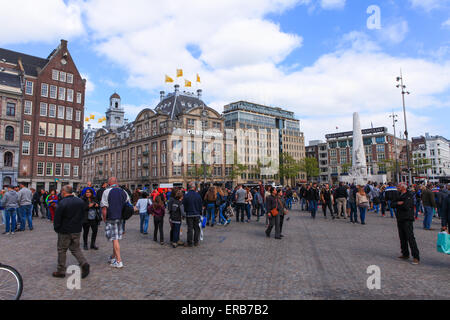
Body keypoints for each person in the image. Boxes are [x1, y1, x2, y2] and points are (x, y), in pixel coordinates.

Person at [52, 185, 90, 278]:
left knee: (62, 250)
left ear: (64, 192)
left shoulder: (62, 203)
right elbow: (83, 213)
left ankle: (61, 271)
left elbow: (57, 218)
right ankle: (84, 263)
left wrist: (57, 228)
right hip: (76, 229)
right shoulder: (80, 201)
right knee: (75, 248)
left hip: (65, 230)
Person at [101, 177, 130, 269]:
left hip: (111, 217)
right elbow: (128, 204)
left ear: (109, 183)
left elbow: (104, 207)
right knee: (116, 238)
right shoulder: (123, 192)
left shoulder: (106, 192)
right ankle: (112, 257)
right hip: (121, 218)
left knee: (114, 239)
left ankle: (119, 261)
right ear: (116, 182)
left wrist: (104, 218)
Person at [391, 183, 420, 265]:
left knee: (410, 237)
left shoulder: (409, 194)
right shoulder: (398, 194)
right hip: (400, 218)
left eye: (399, 187)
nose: (397, 188)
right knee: (402, 237)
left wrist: (399, 204)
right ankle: (405, 253)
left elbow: (406, 206)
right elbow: (392, 204)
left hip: (407, 218)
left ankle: (416, 256)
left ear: (403, 187)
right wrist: (397, 203)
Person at [182, 182, 203, 247]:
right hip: (196, 214)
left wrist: (185, 212)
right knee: (196, 228)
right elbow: (200, 205)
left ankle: (190, 242)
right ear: (194, 187)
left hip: (189, 214)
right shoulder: (198, 195)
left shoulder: (186, 195)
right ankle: (196, 242)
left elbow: (184, 205)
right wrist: (200, 213)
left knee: (190, 228)